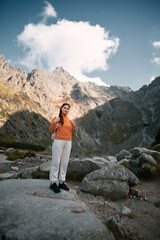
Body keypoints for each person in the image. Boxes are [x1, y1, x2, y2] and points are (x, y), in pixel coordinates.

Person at [49, 103, 76, 193]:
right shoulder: (56, 118)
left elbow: (69, 131)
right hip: (58, 141)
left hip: (68, 141)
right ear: (61, 108)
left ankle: (61, 182)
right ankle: (53, 183)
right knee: (56, 162)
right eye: (65, 108)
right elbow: (51, 130)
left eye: (68, 108)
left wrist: (73, 126)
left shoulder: (69, 120)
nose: (66, 110)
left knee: (64, 162)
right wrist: (54, 122)